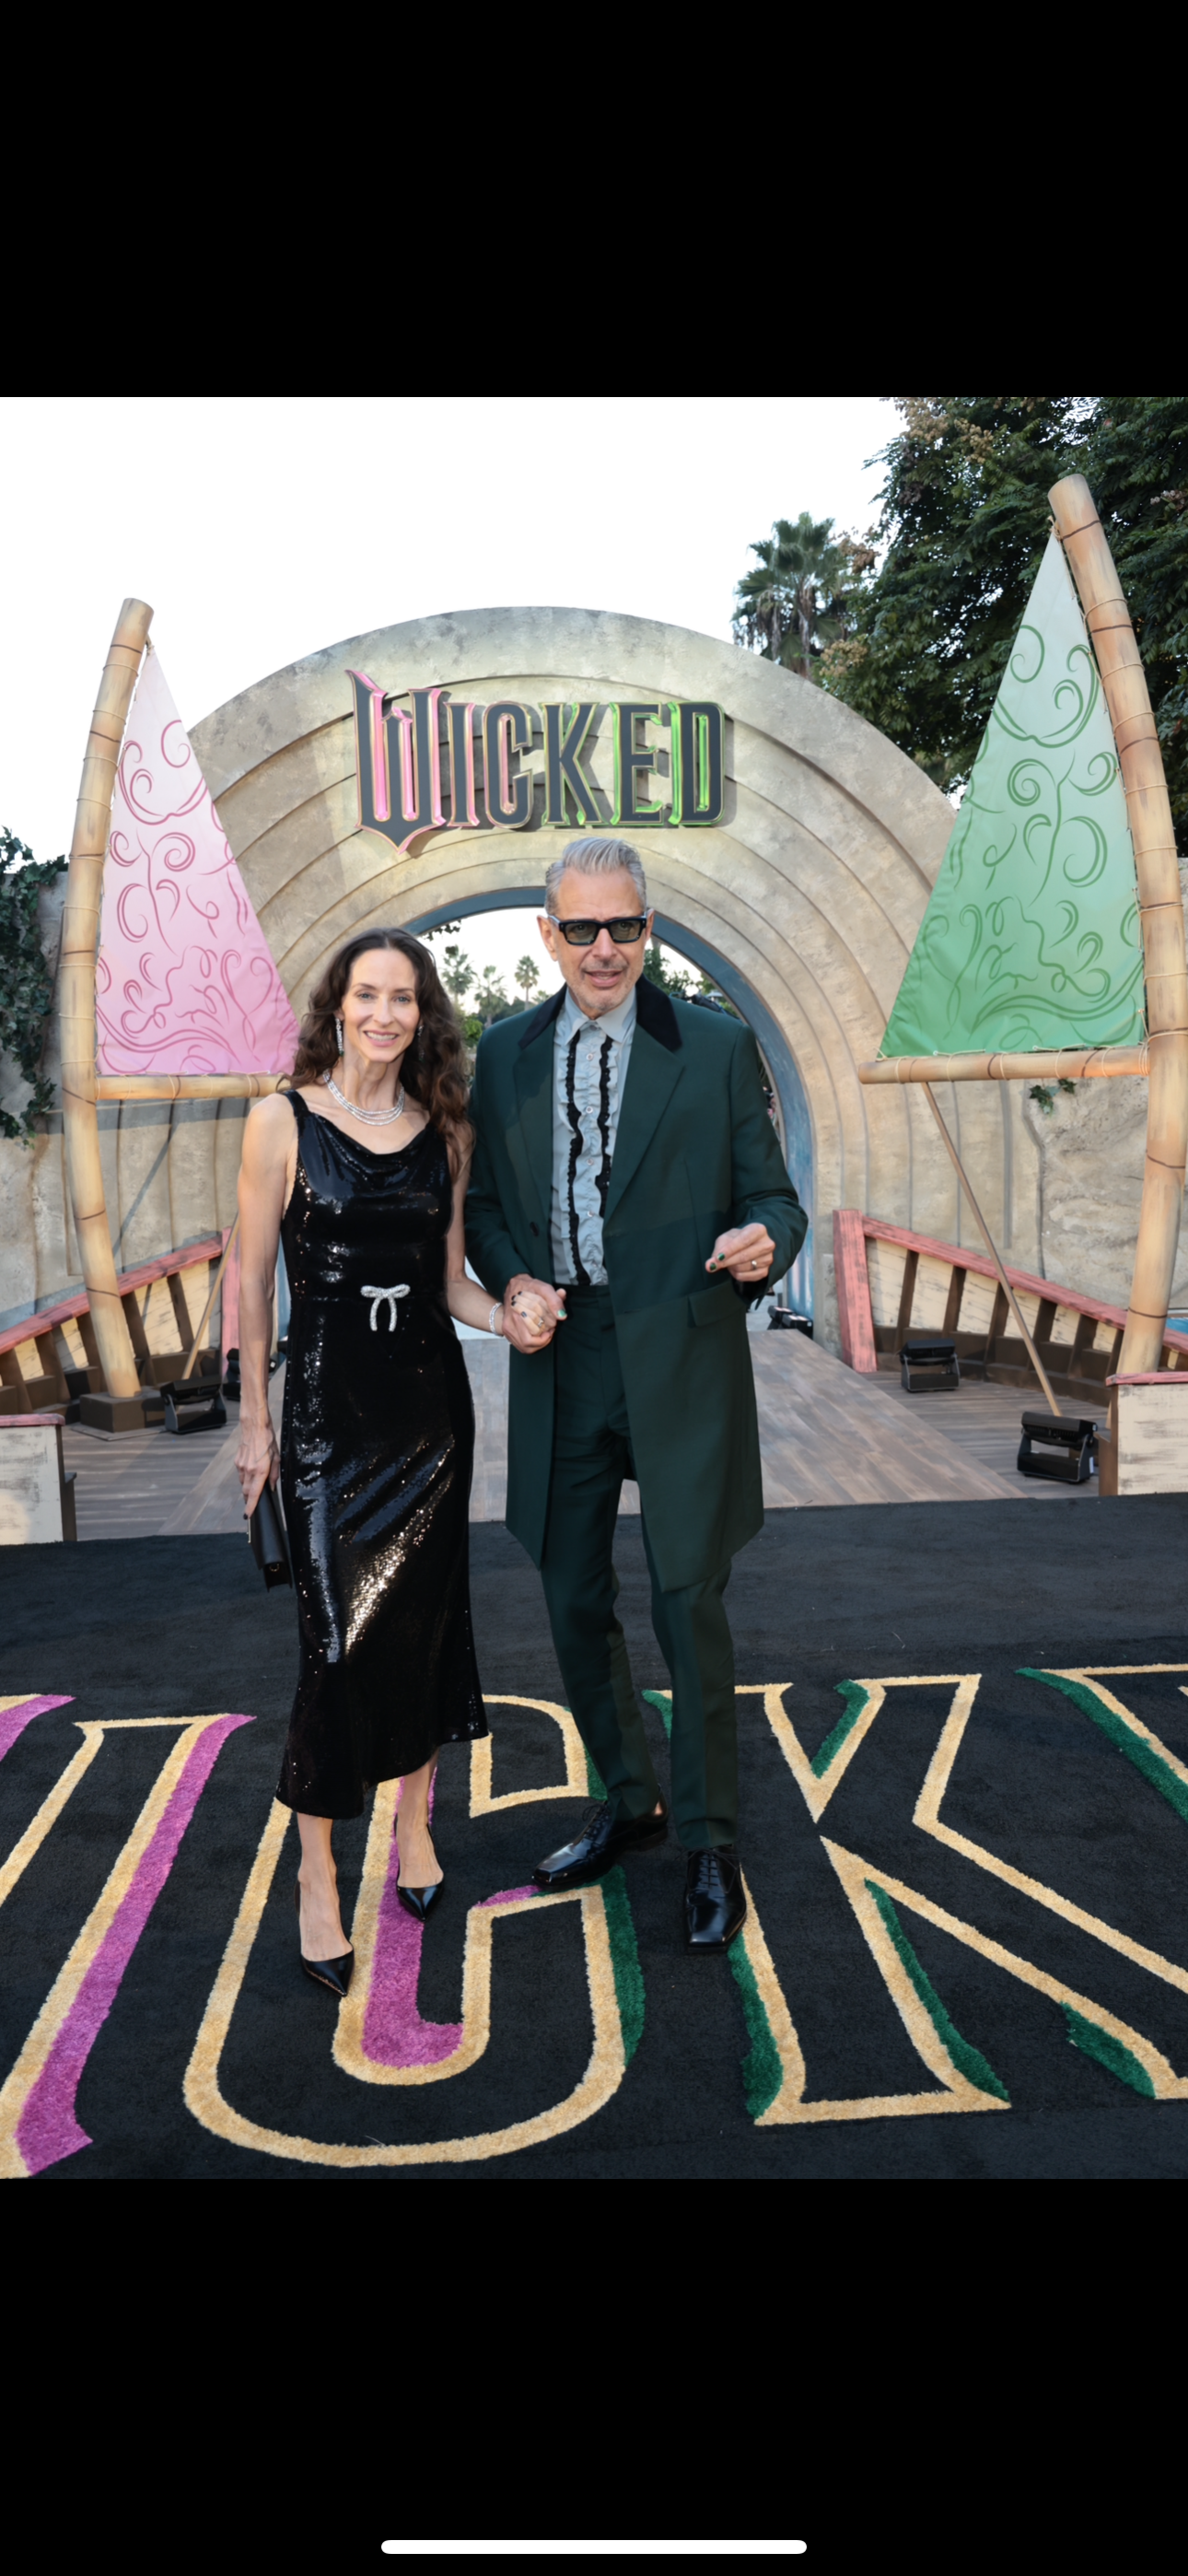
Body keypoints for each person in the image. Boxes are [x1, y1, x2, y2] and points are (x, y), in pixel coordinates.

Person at [465, 837, 806, 1950]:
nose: (604, 949)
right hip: (563, 1356)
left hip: (682, 1356)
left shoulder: (712, 1047)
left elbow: (774, 1195)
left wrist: (767, 1240)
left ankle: (710, 1840)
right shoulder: (503, 1053)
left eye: (624, 927)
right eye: (582, 929)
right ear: (548, 934)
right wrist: (513, 1278)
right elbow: (486, 1215)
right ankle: (631, 1798)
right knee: (569, 1593)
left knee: (685, 1602)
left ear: (648, 929)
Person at [236, 930, 548, 1997]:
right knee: (335, 1648)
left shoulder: (441, 1134)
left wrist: (508, 1317)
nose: (383, 1013)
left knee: (418, 1633)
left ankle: (416, 1824)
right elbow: (248, 1282)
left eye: (403, 998)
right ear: (337, 1006)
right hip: (327, 1429)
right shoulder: (280, 1120)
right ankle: (318, 1875)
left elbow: (450, 1286)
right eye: (367, 994)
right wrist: (252, 1423)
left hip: (426, 1428)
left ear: (423, 1015)